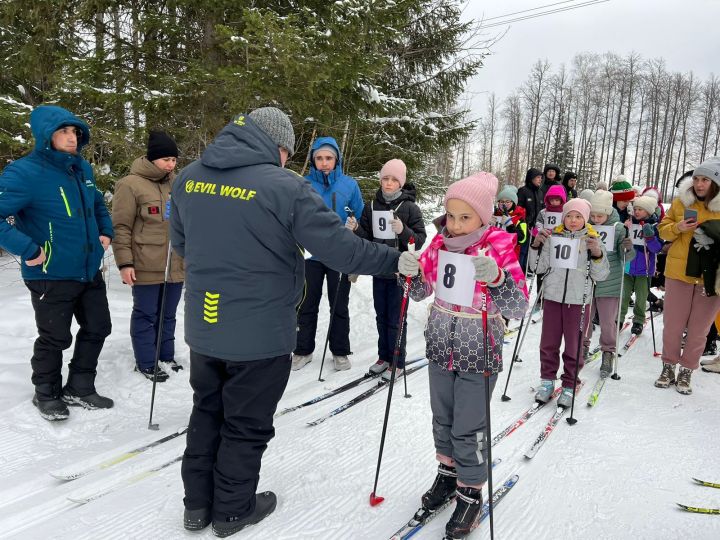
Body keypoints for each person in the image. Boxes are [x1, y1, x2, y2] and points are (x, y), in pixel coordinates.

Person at [170, 107, 402, 537]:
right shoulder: (284, 187)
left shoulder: (189, 176)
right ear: (277, 147)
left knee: (207, 410)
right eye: (287, 153)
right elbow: (342, 251)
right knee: (245, 423)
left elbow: (181, 242)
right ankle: (233, 510)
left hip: (204, 322)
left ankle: (196, 506)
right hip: (258, 331)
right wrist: (395, 262)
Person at [398, 172, 528, 539]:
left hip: (478, 347)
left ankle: (470, 492)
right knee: (443, 418)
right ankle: (447, 474)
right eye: (451, 215)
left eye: (464, 217)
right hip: (440, 344)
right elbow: (422, 289)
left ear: (483, 217)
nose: (455, 225)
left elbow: (518, 305)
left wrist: (500, 279)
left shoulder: (498, 244)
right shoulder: (439, 242)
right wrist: (407, 273)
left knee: (468, 426)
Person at [0, 105, 114, 421]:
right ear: (45, 135)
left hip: (87, 268)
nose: (71, 137)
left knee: (98, 327)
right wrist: (27, 249)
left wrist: (106, 231)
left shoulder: (81, 169)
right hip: (50, 271)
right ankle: (47, 393)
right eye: (63, 131)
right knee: (55, 337)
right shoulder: (24, 172)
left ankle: (80, 386)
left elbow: (97, 205)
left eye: (74, 131)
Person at [111, 131, 184, 382]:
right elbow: (121, 227)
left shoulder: (177, 183)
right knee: (146, 314)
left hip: (174, 263)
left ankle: (165, 355)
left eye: (174, 160)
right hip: (144, 263)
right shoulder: (130, 184)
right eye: (166, 159)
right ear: (152, 159)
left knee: (169, 313)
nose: (170, 165)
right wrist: (125, 263)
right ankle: (146, 361)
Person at [292, 136, 364, 372]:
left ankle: (340, 351)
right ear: (313, 160)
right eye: (320, 158)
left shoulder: (349, 185)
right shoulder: (304, 184)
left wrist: (354, 226)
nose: (324, 162)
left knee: (339, 305)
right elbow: (295, 215)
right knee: (306, 303)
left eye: (329, 158)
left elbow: (359, 215)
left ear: (337, 160)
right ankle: (303, 350)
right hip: (310, 255)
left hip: (339, 254)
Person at [529, 198, 609, 407]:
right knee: (549, 343)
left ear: (585, 219)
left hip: (578, 300)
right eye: (569, 216)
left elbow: (601, 275)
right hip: (553, 297)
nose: (573, 220)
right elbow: (536, 268)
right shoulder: (553, 236)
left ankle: (569, 383)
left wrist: (598, 253)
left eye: (578, 216)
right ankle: (547, 381)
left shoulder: (592, 238)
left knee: (573, 345)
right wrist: (536, 245)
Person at [354, 159, 426, 378]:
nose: (388, 183)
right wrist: (356, 228)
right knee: (381, 316)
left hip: (399, 271)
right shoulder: (372, 205)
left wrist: (403, 230)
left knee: (396, 319)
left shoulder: (410, 207)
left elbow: (420, 239)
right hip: (379, 269)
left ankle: (397, 361)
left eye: (394, 180)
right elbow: (367, 238)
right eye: (385, 178)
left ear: (401, 183)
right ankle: (383, 356)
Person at [656, 157, 720, 394]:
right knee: (672, 325)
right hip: (678, 273)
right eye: (696, 179)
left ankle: (686, 370)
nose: (700, 184)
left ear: (715, 182)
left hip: (711, 277)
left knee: (699, 329)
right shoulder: (680, 203)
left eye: (705, 179)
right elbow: (663, 230)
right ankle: (668, 366)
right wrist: (677, 228)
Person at [584, 190, 635, 376]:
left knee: (607, 322)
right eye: (593, 215)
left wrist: (627, 248)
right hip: (588, 281)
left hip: (610, 282)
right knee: (585, 319)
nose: (596, 219)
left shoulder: (619, 227)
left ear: (608, 211)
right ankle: (582, 347)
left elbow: (627, 257)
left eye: (600, 215)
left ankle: (608, 352)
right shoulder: (587, 225)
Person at [618, 196, 662, 335]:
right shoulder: (630, 223)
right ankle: (618, 319)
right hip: (628, 267)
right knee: (624, 295)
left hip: (645, 270)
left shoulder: (655, 227)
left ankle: (638, 321)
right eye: (635, 209)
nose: (636, 212)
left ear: (648, 211)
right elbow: (621, 241)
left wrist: (650, 238)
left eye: (640, 209)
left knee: (641, 297)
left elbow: (656, 249)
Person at [516, 167, 544, 270]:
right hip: (525, 227)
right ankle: (519, 270)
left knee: (531, 251)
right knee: (523, 250)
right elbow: (518, 209)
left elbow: (542, 211)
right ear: (531, 178)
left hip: (536, 228)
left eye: (541, 177)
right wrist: (524, 222)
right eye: (537, 177)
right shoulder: (523, 191)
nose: (540, 179)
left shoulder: (540, 193)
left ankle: (528, 269)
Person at [493, 184, 527, 259]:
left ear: (513, 203)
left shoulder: (519, 218)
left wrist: (510, 225)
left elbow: (522, 239)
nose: (504, 204)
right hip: (493, 252)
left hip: (510, 256)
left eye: (507, 202)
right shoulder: (494, 216)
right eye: (501, 201)